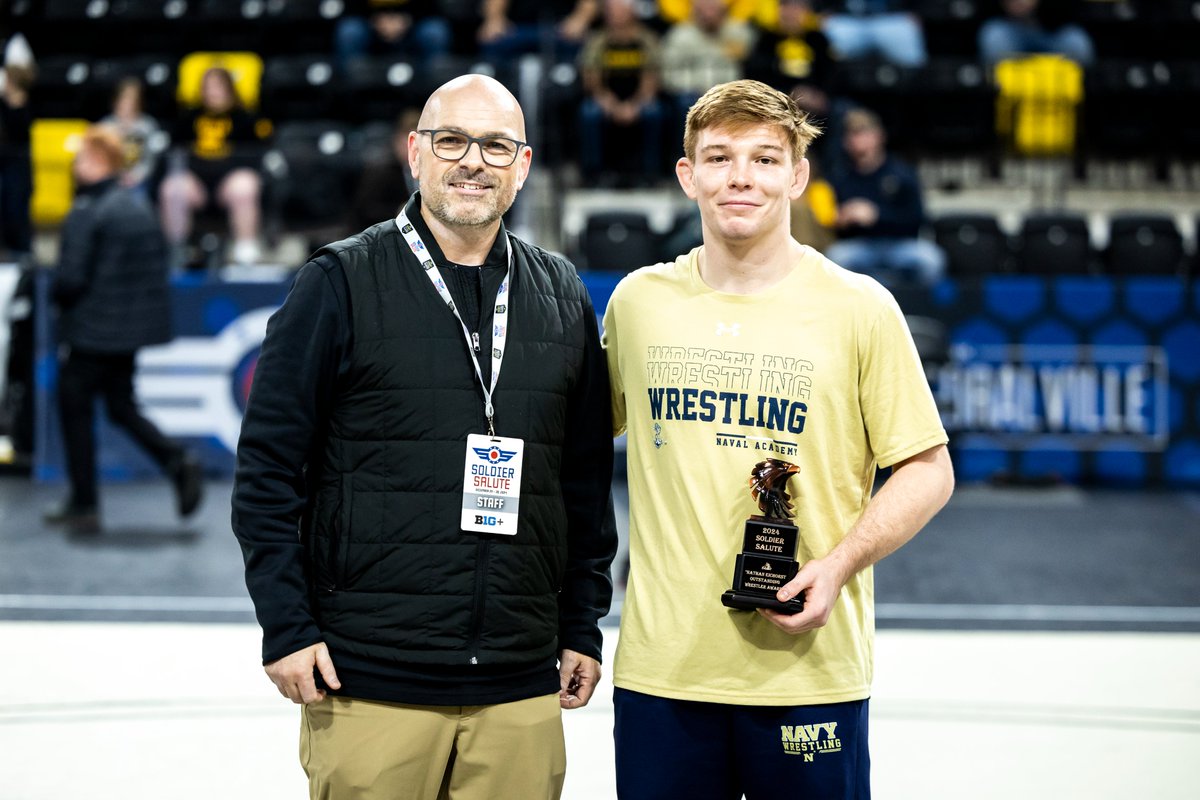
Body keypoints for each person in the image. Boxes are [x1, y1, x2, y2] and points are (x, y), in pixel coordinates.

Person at [232, 74, 616, 799]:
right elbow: (268, 472)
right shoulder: (339, 281)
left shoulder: (562, 292)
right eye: (452, 141)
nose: (474, 161)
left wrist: (581, 624)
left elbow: (585, 484)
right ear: (416, 152)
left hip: (518, 680)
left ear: (523, 165)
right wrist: (285, 625)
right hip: (369, 678)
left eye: (496, 145)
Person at [602, 79, 953, 798]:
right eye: (719, 157)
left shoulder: (860, 308)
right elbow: (571, 453)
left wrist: (840, 565)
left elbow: (927, 468)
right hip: (663, 671)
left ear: (797, 177)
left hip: (810, 670)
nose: (740, 177)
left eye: (765, 159)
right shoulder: (639, 303)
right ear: (687, 174)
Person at [44, 125, 204, 533]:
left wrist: (58, 299)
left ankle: (84, 504)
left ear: (99, 162)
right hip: (127, 334)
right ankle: (176, 460)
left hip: (90, 333)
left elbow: (70, 279)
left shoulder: (87, 210)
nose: (76, 166)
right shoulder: (137, 206)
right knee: (121, 406)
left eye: (81, 158)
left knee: (75, 410)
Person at [159, 66, 271, 267]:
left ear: (229, 89)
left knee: (245, 185)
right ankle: (176, 251)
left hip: (228, 182)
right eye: (208, 87)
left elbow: (256, 157)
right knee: (172, 188)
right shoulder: (188, 118)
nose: (213, 92)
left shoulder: (244, 118)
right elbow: (174, 155)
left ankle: (245, 251)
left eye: (218, 87)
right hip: (196, 182)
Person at [826, 106, 946, 287]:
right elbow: (833, 222)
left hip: (900, 244)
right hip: (860, 245)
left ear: (879, 136)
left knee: (931, 259)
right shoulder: (840, 177)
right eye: (853, 135)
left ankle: (919, 309)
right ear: (845, 141)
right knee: (835, 257)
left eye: (864, 133)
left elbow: (918, 219)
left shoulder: (901, 173)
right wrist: (841, 219)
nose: (859, 141)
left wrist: (877, 216)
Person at [578, 0, 665, 184]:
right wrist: (610, 104)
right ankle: (593, 174)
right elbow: (591, 79)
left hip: (639, 99)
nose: (613, 14)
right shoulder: (598, 40)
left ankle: (651, 173)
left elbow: (652, 78)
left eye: (618, 10)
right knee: (589, 113)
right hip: (605, 100)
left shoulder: (646, 39)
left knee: (654, 112)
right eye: (610, 10)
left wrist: (635, 105)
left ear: (632, 12)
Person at [343, 111, 416, 233]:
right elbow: (365, 210)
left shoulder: (432, 170)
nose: (414, 148)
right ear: (396, 142)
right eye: (408, 142)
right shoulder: (380, 171)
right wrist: (398, 211)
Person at [333, 0, 453, 73]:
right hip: (371, 25)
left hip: (412, 26)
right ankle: (352, 88)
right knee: (350, 31)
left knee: (434, 31)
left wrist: (408, 19)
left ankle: (433, 91)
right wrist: (375, 20)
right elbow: (349, 7)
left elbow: (433, 7)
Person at [978, 0, 1095, 67]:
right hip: (1009, 29)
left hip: (1052, 31)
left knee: (1077, 42)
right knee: (994, 37)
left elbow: (1072, 12)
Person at [99, 77, 165, 196]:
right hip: (110, 180)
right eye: (123, 100)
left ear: (138, 102)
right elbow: (100, 159)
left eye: (131, 101)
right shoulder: (105, 126)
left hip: (139, 179)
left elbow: (151, 160)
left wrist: (136, 176)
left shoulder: (147, 126)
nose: (127, 105)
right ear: (115, 101)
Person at [818, 0, 927, 68]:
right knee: (829, 29)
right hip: (849, 22)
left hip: (891, 20)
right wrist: (824, 11)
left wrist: (916, 11)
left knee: (908, 30)